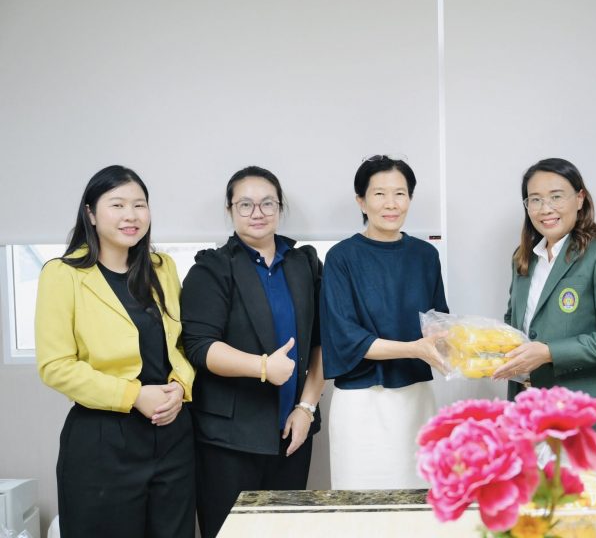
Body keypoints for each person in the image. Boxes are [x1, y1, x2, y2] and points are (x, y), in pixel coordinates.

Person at [35, 165, 195, 538]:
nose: (131, 215)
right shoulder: (62, 274)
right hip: (102, 439)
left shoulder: (163, 268)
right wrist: (133, 395)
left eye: (139, 205)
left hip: (172, 435)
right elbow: (56, 366)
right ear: (90, 213)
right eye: (117, 204)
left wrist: (180, 386)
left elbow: (182, 344)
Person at [180, 166, 324, 538]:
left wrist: (307, 408)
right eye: (245, 204)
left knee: (286, 532)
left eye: (267, 203)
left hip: (292, 432)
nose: (257, 213)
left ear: (280, 207)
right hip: (227, 440)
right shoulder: (212, 269)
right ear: (230, 210)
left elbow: (321, 343)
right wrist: (262, 367)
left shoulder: (304, 263)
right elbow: (199, 346)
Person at [493, 158, 596, 483]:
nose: (545, 208)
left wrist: (549, 352)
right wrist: (486, 351)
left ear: (580, 198)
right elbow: (515, 327)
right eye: (535, 199)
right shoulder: (524, 258)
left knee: (586, 515)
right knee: (534, 515)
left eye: (556, 196)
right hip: (529, 418)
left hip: (586, 423)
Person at [320, 155, 448, 490]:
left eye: (400, 194)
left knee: (419, 498)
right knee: (360, 501)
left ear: (410, 198)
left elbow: (439, 323)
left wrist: (478, 349)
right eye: (379, 194)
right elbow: (346, 337)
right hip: (360, 402)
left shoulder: (426, 256)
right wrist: (415, 349)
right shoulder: (341, 257)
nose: (391, 204)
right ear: (361, 201)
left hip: (416, 396)